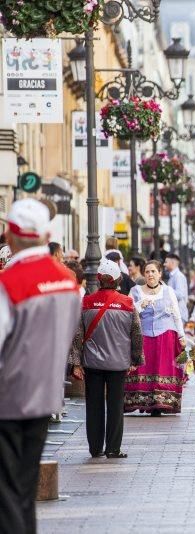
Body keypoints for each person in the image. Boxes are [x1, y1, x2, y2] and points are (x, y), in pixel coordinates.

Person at [0, 199, 81, 533]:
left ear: (10, 234)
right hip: (45, 395)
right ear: (47, 234)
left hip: (8, 397)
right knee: (25, 486)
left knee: (5, 490)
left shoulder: (9, 282)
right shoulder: (67, 281)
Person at [69, 259, 143, 459]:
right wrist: (136, 359)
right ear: (118, 279)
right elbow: (136, 333)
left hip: (92, 363)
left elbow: (77, 334)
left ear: (99, 279)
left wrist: (76, 363)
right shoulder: (127, 303)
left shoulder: (86, 302)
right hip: (118, 363)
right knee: (116, 406)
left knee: (93, 406)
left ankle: (95, 448)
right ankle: (113, 448)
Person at [124, 260, 187, 415]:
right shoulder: (136, 290)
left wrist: (182, 336)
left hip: (165, 336)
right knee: (144, 368)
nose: (150, 274)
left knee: (161, 369)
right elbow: (127, 313)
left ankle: (159, 404)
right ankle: (144, 402)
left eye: (153, 271)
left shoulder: (168, 291)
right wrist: (140, 305)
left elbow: (176, 315)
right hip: (143, 336)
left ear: (160, 274)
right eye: (147, 272)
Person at [165, 253, 189, 322]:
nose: (164, 264)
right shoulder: (173, 276)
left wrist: (166, 289)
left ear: (172, 263)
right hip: (175, 315)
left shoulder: (178, 276)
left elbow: (180, 295)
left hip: (179, 315)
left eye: (166, 262)